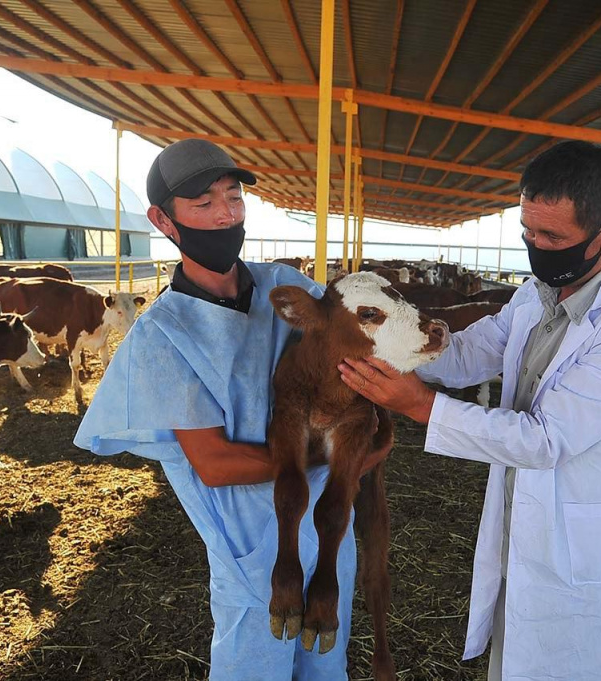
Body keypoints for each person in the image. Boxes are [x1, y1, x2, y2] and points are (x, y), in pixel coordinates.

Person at [338, 141, 601, 680]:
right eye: (528, 232)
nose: (537, 247)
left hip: (594, 539)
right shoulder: (539, 292)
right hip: (527, 513)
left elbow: (546, 440)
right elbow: (475, 351)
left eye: (554, 237)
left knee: (582, 663)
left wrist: (421, 406)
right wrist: (395, 344)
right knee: (517, 653)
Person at [74, 139, 389, 680]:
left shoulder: (287, 288)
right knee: (255, 669)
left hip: (328, 532)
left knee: (326, 669)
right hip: (252, 550)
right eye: (203, 204)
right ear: (163, 220)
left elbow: (356, 356)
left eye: (234, 195)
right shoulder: (162, 336)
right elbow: (215, 464)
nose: (226, 214)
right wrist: (339, 462)